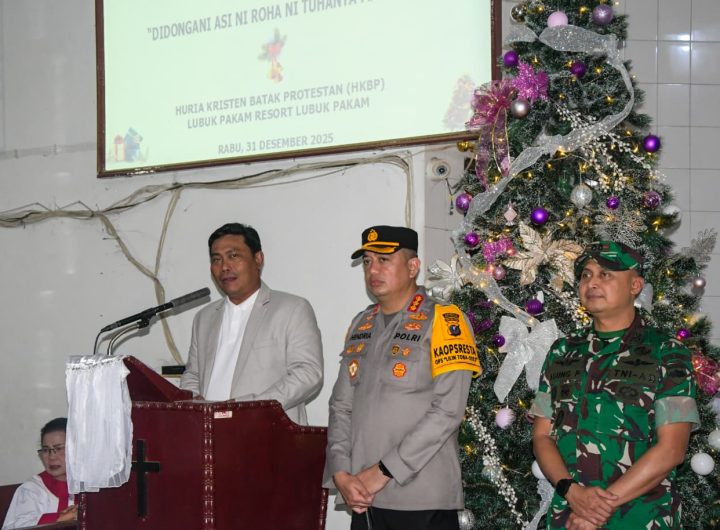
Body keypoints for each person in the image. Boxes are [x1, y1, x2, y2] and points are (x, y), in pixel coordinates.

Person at [530, 241, 700, 530]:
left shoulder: (667, 352)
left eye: (605, 274)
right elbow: (541, 436)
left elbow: (672, 448)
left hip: (639, 518)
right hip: (569, 517)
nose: (592, 282)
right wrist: (573, 493)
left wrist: (595, 509)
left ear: (635, 286)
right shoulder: (561, 351)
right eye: (586, 275)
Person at [324, 225, 481, 530]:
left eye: (384, 260)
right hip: (364, 496)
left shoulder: (445, 321)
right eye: (367, 261)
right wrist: (341, 472)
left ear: (413, 267)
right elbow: (340, 405)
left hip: (422, 500)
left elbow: (448, 412)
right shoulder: (361, 323)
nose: (373, 270)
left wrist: (384, 471)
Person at [180, 222, 323, 425]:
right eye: (216, 259)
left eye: (233, 256)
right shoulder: (204, 318)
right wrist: (194, 402)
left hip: (267, 430)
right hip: (209, 432)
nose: (224, 266)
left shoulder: (291, 308)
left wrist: (251, 408)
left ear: (258, 259)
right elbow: (193, 374)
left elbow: (308, 373)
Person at [2, 418, 77, 529]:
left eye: (59, 448)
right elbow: (18, 526)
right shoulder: (31, 490)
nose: (51, 457)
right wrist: (60, 518)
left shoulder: (90, 487)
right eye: (46, 450)